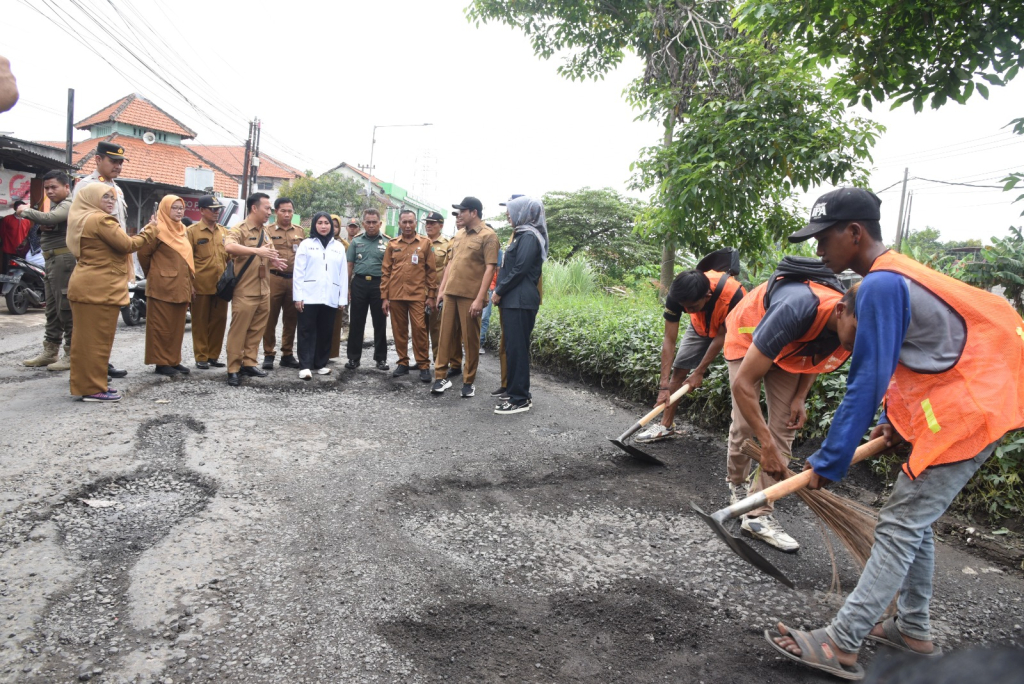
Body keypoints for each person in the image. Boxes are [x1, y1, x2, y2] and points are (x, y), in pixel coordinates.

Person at [764, 187, 1024, 680]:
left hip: (971, 414)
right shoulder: (894, 278)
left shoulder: (882, 285)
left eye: (824, 238)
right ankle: (912, 628)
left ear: (855, 233)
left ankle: (841, 643)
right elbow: (921, 364)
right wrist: (897, 423)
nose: (819, 251)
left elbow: (869, 375)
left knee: (900, 524)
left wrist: (831, 457)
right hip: (971, 406)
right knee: (913, 522)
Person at [722, 255, 851, 551]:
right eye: (856, 332)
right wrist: (764, 443)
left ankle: (758, 513)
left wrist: (800, 397)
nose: (860, 341)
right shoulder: (796, 307)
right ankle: (737, 486)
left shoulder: (852, 327)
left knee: (784, 427)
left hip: (791, 350)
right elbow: (743, 384)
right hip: (750, 334)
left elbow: (816, 358)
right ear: (842, 312)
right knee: (744, 424)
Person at [636, 250, 747, 443]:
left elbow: (722, 335)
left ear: (708, 295)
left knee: (740, 380)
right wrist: (663, 386)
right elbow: (669, 341)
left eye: (692, 307)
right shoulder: (678, 296)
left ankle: (739, 434)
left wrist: (700, 371)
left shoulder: (735, 294)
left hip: (730, 331)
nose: (686, 311)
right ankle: (665, 426)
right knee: (679, 370)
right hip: (699, 328)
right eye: (684, 308)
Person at [66, 184, 158, 402]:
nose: (110, 201)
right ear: (91, 198)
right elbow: (127, 244)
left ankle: (89, 385)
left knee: (85, 340)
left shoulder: (81, 218)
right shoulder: (100, 220)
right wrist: (151, 230)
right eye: (105, 197)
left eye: (112, 197)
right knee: (96, 341)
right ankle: (92, 388)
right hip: (99, 288)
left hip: (87, 285)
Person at [72, 141, 130, 379]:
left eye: (120, 162)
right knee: (91, 325)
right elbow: (78, 226)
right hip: (97, 264)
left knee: (106, 322)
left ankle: (101, 364)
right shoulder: (86, 186)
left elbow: (120, 228)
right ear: (97, 160)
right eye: (112, 161)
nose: (117, 166)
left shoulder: (117, 188)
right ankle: (88, 371)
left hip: (115, 263)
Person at [431, 197, 499, 398]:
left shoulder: (489, 236)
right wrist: (441, 290)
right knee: (445, 337)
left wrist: (480, 299)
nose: (459, 214)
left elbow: (490, 268)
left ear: (474, 212)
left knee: (470, 340)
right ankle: (440, 377)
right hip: (451, 293)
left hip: (471, 296)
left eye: (462, 211)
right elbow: (450, 264)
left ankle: (468, 381)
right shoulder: (459, 235)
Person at [224, 193, 287, 387]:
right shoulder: (240, 229)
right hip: (245, 290)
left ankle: (249, 362)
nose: (270, 212)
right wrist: (256, 251)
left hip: (263, 289)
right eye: (267, 208)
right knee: (238, 330)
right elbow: (229, 246)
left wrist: (272, 260)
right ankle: (233, 368)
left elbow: (264, 254)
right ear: (254, 208)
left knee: (256, 330)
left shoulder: (265, 231)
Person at [492, 196, 546, 414]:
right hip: (514, 301)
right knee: (513, 349)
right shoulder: (522, 235)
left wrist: (499, 290)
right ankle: (517, 392)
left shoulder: (530, 237)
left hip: (520, 301)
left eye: (511, 211)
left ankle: (520, 399)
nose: (508, 215)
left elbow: (520, 269)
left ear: (524, 213)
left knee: (517, 349)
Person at [17, 172, 75, 370]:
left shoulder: (68, 204)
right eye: (47, 188)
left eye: (54, 187)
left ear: (66, 187)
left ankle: (72, 353)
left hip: (64, 260)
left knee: (65, 308)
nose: (49, 191)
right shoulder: (57, 205)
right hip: (51, 260)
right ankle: (50, 351)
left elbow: (52, 218)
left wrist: (25, 210)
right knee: (51, 308)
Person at [137, 195, 195, 376]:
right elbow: (143, 254)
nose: (179, 211)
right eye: (174, 208)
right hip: (162, 285)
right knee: (161, 325)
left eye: (181, 208)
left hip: (181, 284)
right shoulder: (155, 229)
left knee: (177, 325)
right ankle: (161, 363)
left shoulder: (182, 229)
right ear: (164, 209)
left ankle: (173, 360)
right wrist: (155, 273)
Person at [381, 209, 437, 382]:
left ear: (415, 223)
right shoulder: (392, 244)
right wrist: (384, 297)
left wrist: (431, 295)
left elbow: (431, 272)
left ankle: (423, 365)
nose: (407, 225)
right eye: (404, 222)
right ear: (399, 223)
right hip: (396, 295)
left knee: (420, 330)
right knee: (399, 330)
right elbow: (386, 272)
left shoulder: (426, 243)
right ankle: (403, 363)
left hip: (417, 295)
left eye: (410, 222)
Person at [294, 212, 348, 379]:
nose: (323, 226)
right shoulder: (306, 244)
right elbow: (298, 271)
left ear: (331, 226)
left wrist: (342, 299)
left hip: (330, 296)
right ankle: (305, 366)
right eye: (320, 223)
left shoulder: (338, 247)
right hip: (309, 295)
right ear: (314, 225)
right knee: (306, 330)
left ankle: (320, 364)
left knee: (326, 331)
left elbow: (343, 274)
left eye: (327, 223)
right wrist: (298, 296)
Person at [186, 196, 229, 369]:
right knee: (200, 322)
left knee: (219, 321)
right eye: (212, 209)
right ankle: (201, 356)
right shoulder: (192, 231)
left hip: (222, 285)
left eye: (218, 209)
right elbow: (186, 260)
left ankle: (213, 355)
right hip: (201, 284)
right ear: (202, 210)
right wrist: (189, 284)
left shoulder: (224, 232)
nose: (216, 212)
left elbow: (230, 257)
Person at [262, 197, 304, 370]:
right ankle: (268, 354)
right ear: (276, 212)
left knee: (291, 318)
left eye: (290, 211)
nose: (287, 215)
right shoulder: (267, 230)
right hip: (274, 278)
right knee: (270, 317)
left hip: (294, 279)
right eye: (283, 211)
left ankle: (287, 354)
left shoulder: (300, 232)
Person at [345, 208, 390, 371]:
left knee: (380, 322)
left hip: (379, 285)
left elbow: (390, 269)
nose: (371, 225)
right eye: (368, 222)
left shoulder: (387, 242)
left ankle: (381, 359)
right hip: (359, 283)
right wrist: (347, 288)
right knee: (356, 322)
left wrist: (387, 293)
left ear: (380, 223)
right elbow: (349, 265)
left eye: (374, 222)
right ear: (363, 224)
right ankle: (353, 358)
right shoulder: (356, 242)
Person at [424, 211, 462, 374]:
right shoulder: (419, 242)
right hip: (419, 293)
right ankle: (422, 362)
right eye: (427, 223)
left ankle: (439, 362)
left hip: (437, 294)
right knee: (420, 330)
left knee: (438, 330)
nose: (429, 225)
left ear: (441, 225)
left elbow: (450, 269)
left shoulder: (447, 244)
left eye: (433, 223)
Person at [328, 217, 352, 361]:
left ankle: (331, 353)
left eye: (336, 226)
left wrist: (346, 288)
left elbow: (347, 268)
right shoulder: (311, 242)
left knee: (336, 321)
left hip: (337, 287)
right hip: (319, 287)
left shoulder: (344, 245)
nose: (332, 228)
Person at [1, 200, 31, 273]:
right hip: (8, 249)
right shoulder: (7, 219)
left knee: (21, 270)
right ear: (15, 209)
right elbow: (2, 233)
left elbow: (27, 234)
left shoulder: (27, 221)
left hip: (22, 251)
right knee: (7, 269)